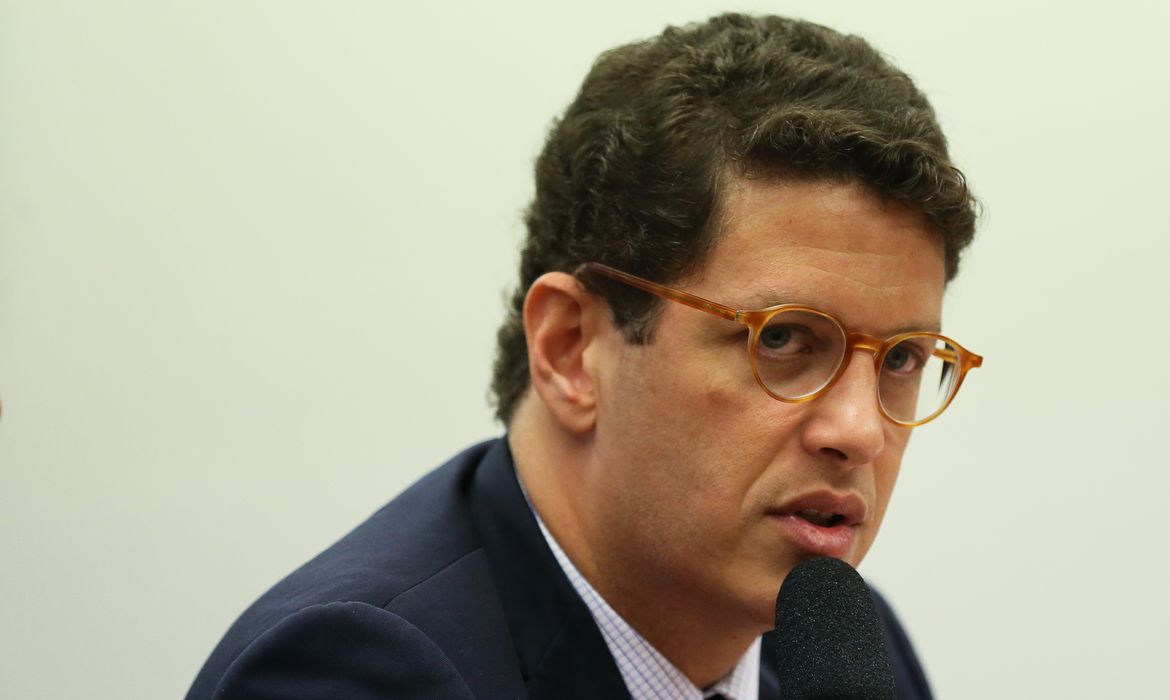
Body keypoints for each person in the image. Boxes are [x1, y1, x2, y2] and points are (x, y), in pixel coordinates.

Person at [186, 13, 981, 699]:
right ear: (571, 351)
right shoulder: (363, 672)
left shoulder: (843, 656)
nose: (861, 432)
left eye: (903, 359)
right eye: (781, 338)